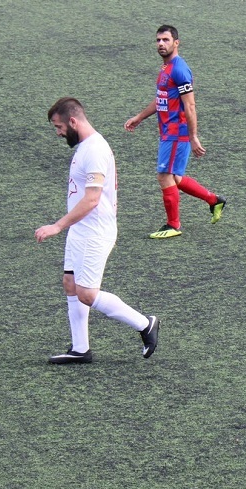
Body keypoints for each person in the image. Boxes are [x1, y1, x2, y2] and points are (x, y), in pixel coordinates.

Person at [36, 97, 160, 364]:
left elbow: (92, 199)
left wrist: (57, 226)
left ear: (73, 121)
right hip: (80, 229)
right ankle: (80, 349)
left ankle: (145, 323)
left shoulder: (94, 150)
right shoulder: (85, 146)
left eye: (59, 127)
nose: (58, 133)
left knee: (87, 294)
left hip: (95, 232)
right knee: (70, 283)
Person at [124, 24, 226, 239]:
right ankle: (214, 201)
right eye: (158, 40)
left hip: (176, 133)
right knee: (175, 178)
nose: (161, 44)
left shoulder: (179, 69)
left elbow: (190, 105)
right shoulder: (166, 68)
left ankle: (173, 225)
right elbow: (162, 98)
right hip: (168, 132)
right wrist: (140, 117)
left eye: (166, 40)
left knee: (164, 176)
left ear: (176, 43)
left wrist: (193, 136)